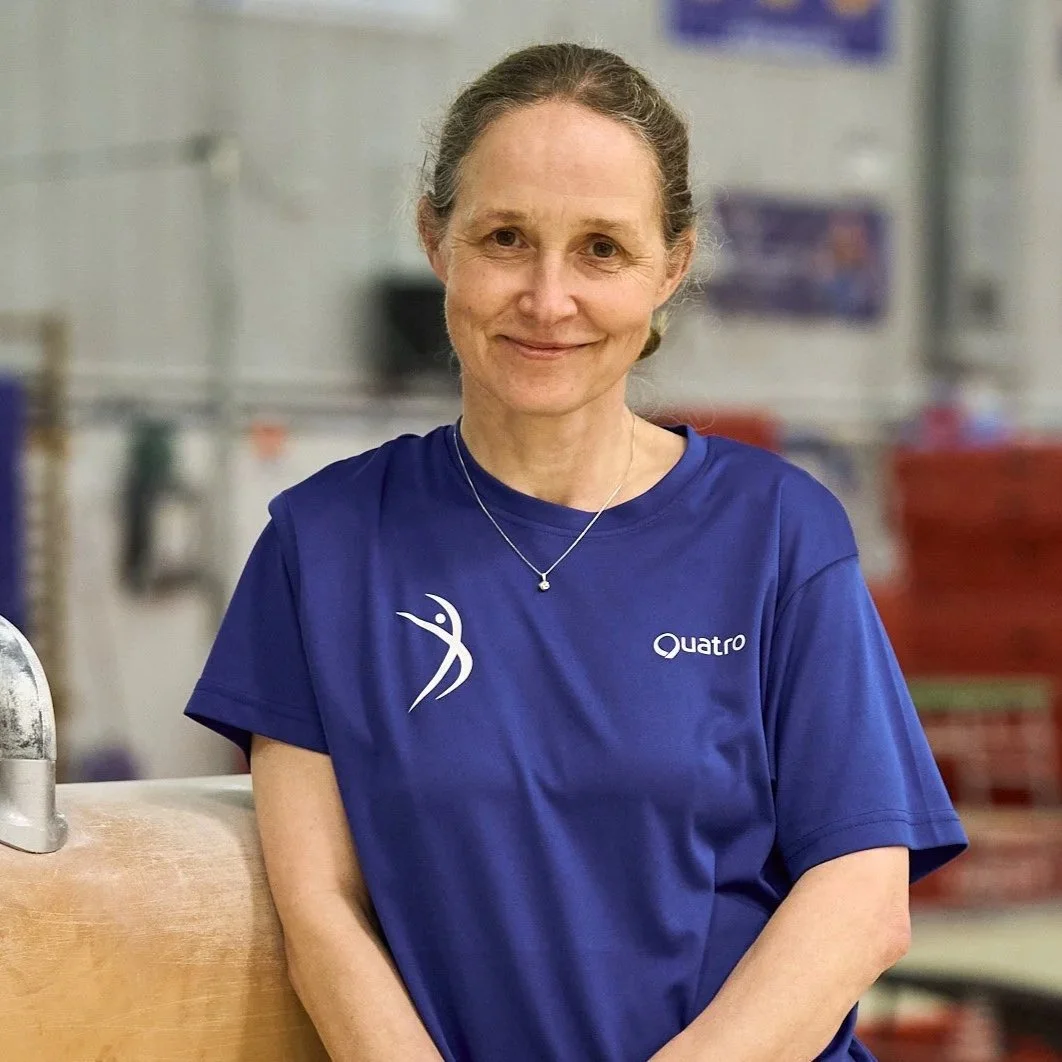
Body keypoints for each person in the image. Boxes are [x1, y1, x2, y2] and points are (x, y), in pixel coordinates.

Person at [184, 43, 968, 1062]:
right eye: (507, 237)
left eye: (602, 249)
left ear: (672, 266)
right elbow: (323, 913)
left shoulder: (779, 534)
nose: (549, 298)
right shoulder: (323, 545)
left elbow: (862, 898)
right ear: (437, 240)